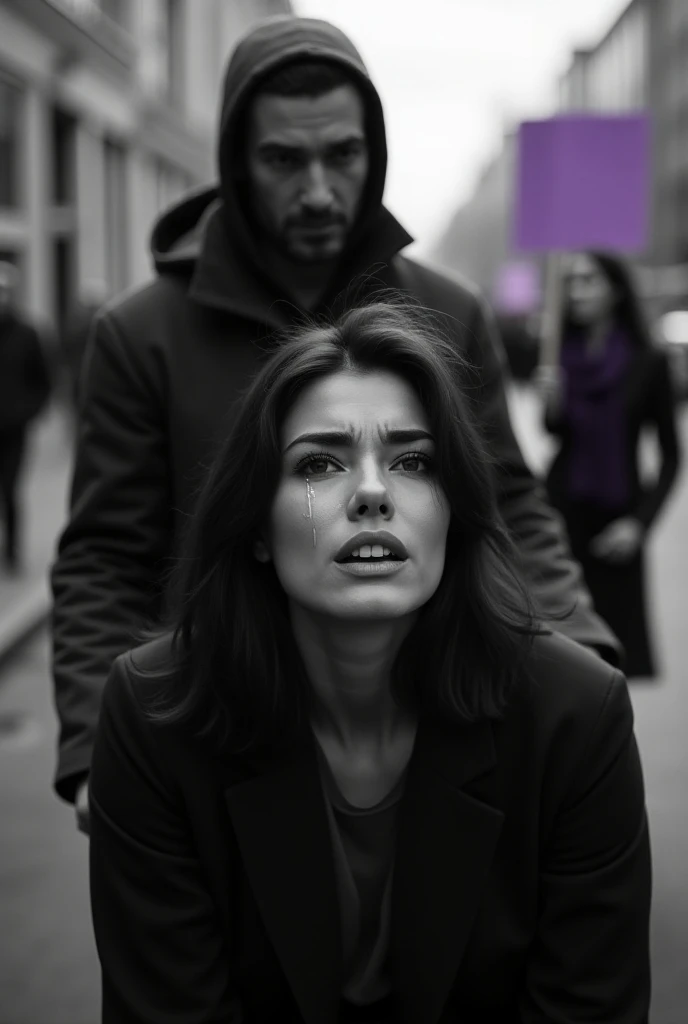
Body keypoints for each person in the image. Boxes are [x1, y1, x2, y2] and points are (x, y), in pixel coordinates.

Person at [51, 15, 621, 837]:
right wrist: (94, 742)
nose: (318, 190)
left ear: (373, 155)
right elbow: (105, 556)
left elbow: (506, 508)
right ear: (238, 166)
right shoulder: (141, 336)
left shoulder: (447, 313)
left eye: (342, 155)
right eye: (285, 159)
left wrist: (582, 657)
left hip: (422, 735)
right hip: (222, 735)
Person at [89, 303, 651, 1024]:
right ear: (256, 524)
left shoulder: (577, 716)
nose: (374, 492)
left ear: (456, 510)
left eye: (415, 462)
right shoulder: (153, 714)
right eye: (319, 463)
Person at [540, 251, 682, 678]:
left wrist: (639, 524)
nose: (576, 291)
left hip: (616, 522)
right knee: (557, 655)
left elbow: (672, 455)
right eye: (571, 281)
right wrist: (552, 402)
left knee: (611, 665)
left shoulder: (648, 361)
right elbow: (555, 432)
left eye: (588, 280)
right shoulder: (558, 355)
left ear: (616, 290)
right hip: (561, 518)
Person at [0, 261, 52, 573]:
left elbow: (44, 379)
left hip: (14, 428)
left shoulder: (28, 333)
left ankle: (12, 552)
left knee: (10, 488)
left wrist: (28, 412)